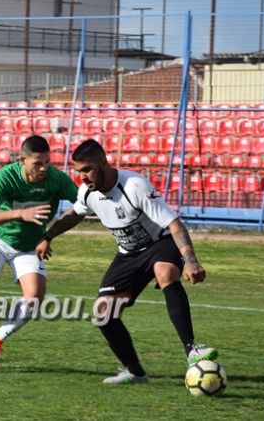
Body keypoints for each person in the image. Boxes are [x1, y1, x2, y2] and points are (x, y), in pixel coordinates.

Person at [37, 139, 218, 384]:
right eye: (79, 171)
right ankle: (135, 371)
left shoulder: (134, 186)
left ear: (103, 163)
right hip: (128, 253)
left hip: (159, 244)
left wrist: (191, 261)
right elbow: (73, 215)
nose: (83, 177)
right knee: (102, 313)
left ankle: (191, 349)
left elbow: (174, 224)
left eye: (87, 169)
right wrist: (48, 236)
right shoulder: (87, 192)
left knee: (165, 274)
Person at [0, 135, 79, 372]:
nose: (43, 168)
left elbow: (82, 203)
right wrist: (21, 214)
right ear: (22, 160)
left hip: (29, 244)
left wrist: (49, 236)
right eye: (38, 163)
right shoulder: (6, 176)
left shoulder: (56, 179)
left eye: (47, 162)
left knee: (35, 295)